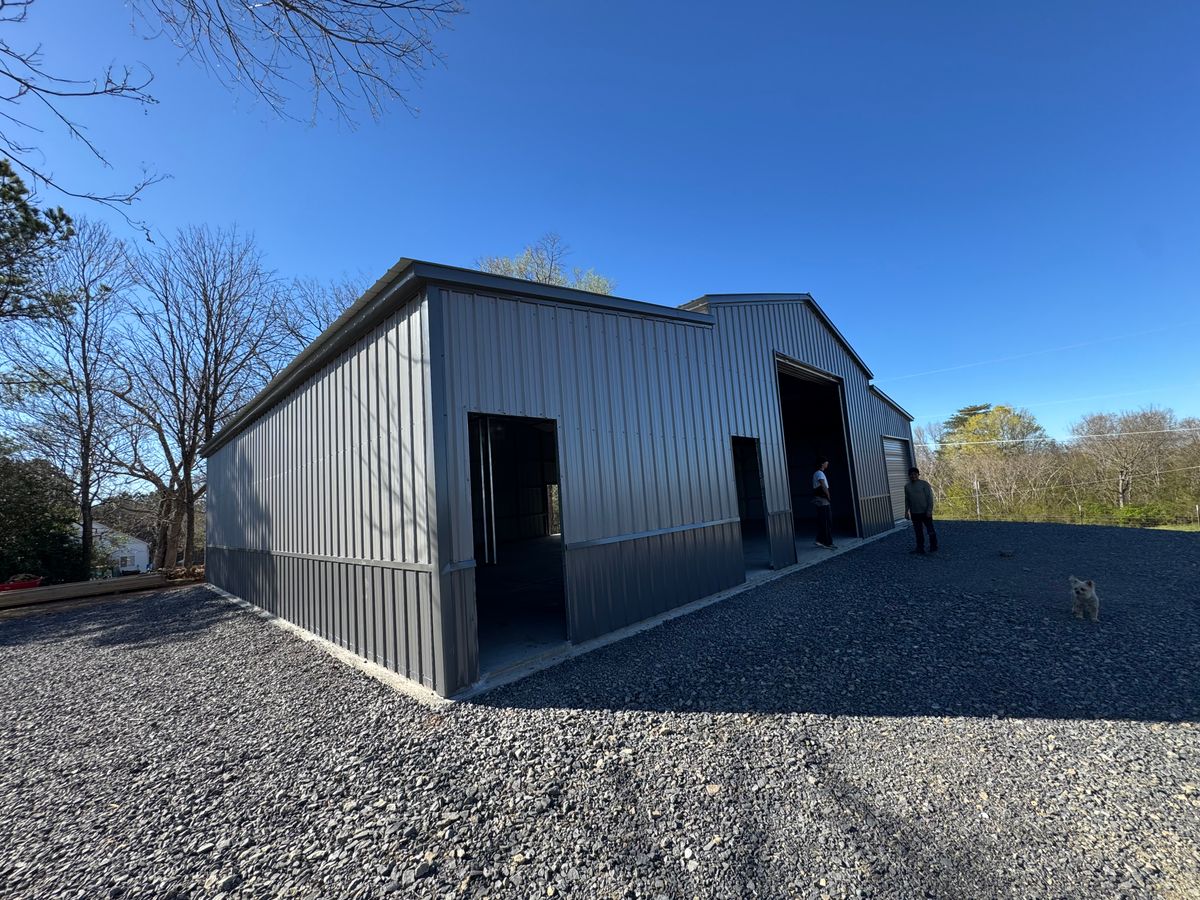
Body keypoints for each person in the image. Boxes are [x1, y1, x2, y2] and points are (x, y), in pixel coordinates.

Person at [904, 466, 938, 554]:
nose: (913, 476)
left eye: (915, 474)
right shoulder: (907, 486)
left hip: (925, 512)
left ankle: (933, 546)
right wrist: (906, 512)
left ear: (918, 474)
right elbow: (907, 500)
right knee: (918, 532)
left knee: (930, 530)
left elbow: (929, 498)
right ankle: (920, 548)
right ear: (909, 476)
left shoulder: (924, 484)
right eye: (911, 475)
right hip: (914, 513)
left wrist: (929, 510)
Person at [812, 457, 835, 550]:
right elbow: (823, 485)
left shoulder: (818, 473)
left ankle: (819, 540)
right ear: (822, 464)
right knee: (827, 521)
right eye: (826, 462)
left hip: (821, 499)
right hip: (823, 500)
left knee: (823, 521)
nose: (827, 463)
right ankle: (827, 542)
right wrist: (829, 496)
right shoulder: (819, 473)